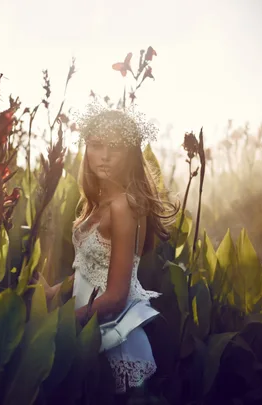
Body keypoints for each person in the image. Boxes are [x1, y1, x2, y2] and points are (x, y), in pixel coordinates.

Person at [46, 103, 179, 398]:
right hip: (89, 332)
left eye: (115, 147)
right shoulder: (100, 202)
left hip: (114, 339)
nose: (104, 155)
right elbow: (88, 270)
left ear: (130, 154)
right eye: (96, 145)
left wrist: (63, 322)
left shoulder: (123, 206)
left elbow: (117, 296)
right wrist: (52, 292)